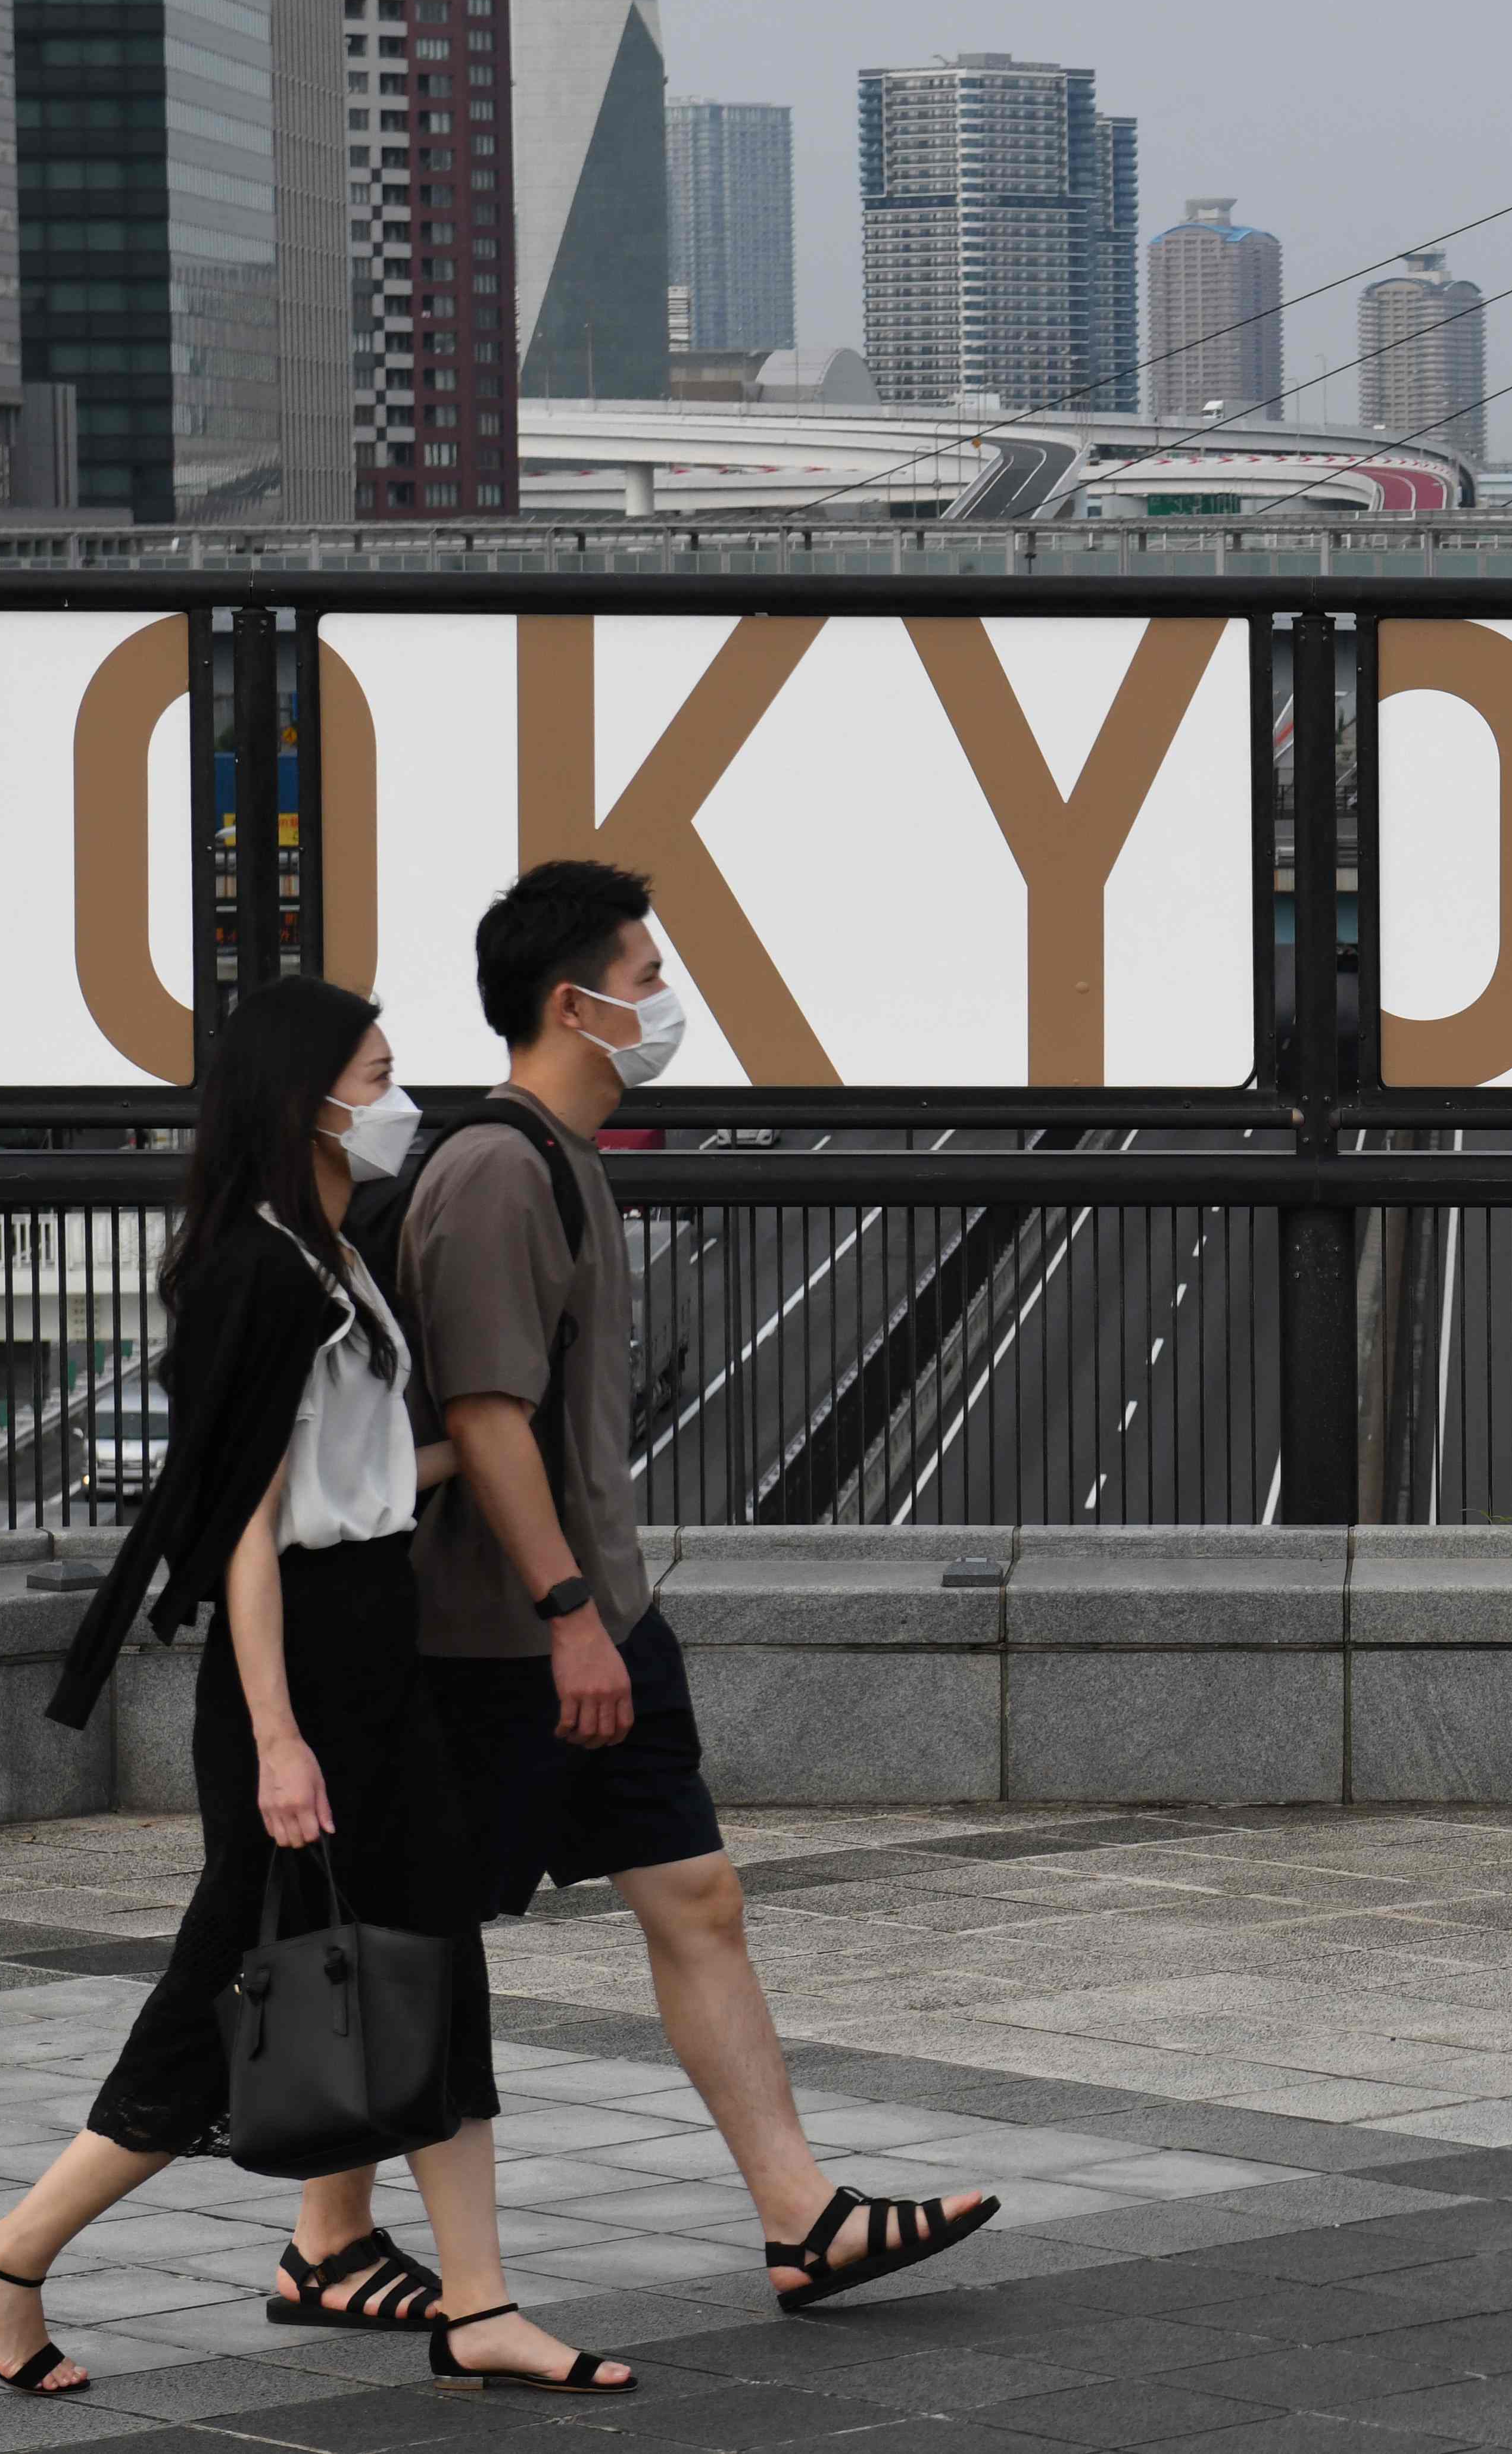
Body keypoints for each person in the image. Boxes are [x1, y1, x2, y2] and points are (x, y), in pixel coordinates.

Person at [279, 860, 996, 2318]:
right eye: (648, 977)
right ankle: (322, 2234)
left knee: (695, 1897)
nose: (665, 1002)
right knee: (404, 1935)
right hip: (503, 1635)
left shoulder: (559, 1157)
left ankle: (801, 2217)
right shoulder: (498, 1172)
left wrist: (600, 1612)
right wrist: (567, 1620)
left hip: (596, 1610)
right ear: (573, 1003)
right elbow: (485, 1417)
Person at [0, 977, 633, 2400]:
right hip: (304, 1670)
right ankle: (6, 2256)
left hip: (373, 1647)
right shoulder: (254, 1272)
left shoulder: (328, 1256)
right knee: (228, 1992)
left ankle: (481, 2305)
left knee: (432, 1963)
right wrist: (276, 1740)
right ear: (304, 1100)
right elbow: (249, 1536)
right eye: (376, 1076)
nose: (401, 1103)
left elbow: (356, 1481)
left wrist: (494, 1452)